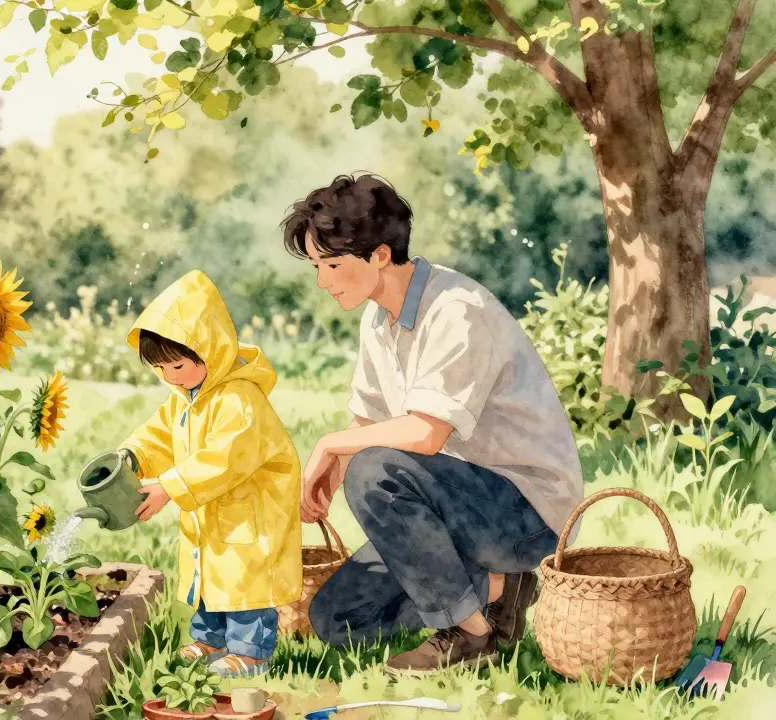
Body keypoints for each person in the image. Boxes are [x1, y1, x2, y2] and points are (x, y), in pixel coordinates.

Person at [280, 173, 583, 675]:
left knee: (375, 470)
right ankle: (501, 590)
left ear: (379, 255)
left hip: (525, 517)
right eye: (316, 266)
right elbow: (369, 419)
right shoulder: (377, 319)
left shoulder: (456, 311)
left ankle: (471, 636)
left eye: (332, 265)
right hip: (449, 508)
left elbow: (425, 434)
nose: (323, 282)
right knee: (337, 619)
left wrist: (333, 446)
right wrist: (327, 478)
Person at [116, 269, 303, 679]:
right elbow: (159, 434)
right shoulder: (185, 398)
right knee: (210, 581)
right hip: (210, 512)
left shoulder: (239, 398)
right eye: (161, 368)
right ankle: (208, 640)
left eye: (178, 365)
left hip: (249, 512)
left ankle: (252, 652)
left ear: (211, 350)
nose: (170, 377)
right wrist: (133, 455)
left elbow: (225, 457)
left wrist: (168, 486)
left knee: (245, 584)